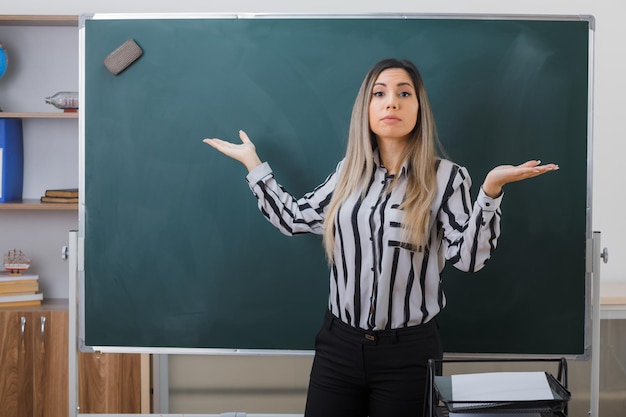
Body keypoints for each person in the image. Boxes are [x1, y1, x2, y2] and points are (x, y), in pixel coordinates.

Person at [203, 58, 558, 417]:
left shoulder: (447, 178)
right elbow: (293, 218)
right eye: (380, 93)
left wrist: (491, 190)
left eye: (404, 93)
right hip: (338, 346)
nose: (392, 102)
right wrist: (254, 165)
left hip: (409, 354)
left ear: (419, 109)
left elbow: (469, 259)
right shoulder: (347, 173)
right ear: (367, 108)